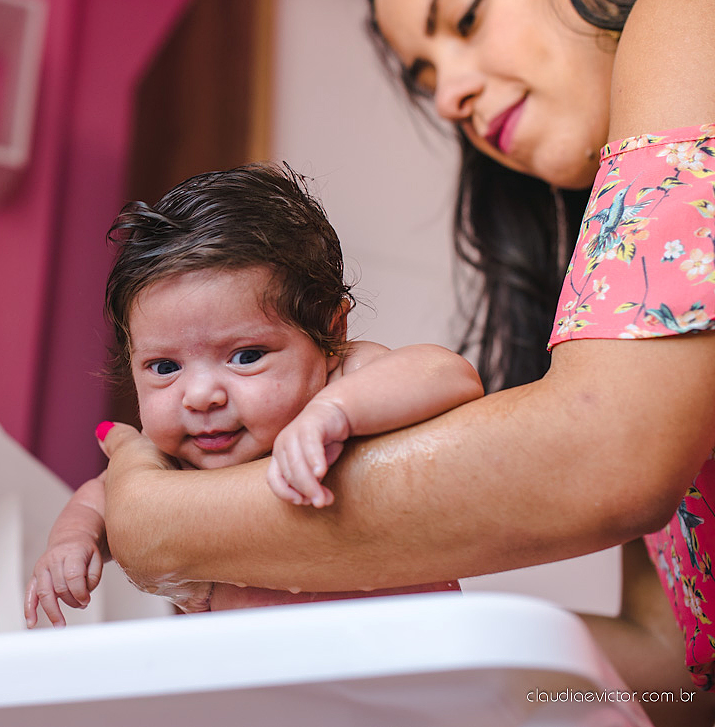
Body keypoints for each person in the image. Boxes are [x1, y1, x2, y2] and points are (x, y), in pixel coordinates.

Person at [96, 0, 715, 724]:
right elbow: (674, 663)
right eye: (426, 77)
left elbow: (610, 451)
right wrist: (349, 635)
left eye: (466, 15)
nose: (449, 97)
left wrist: (163, 521)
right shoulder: (629, 260)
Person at [24, 163, 481, 627]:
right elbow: (99, 498)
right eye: (165, 367)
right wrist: (72, 541)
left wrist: (337, 411)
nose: (200, 396)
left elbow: (450, 373)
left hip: (410, 649)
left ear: (331, 332)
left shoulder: (344, 380)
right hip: (257, 666)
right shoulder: (170, 457)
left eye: (245, 356)